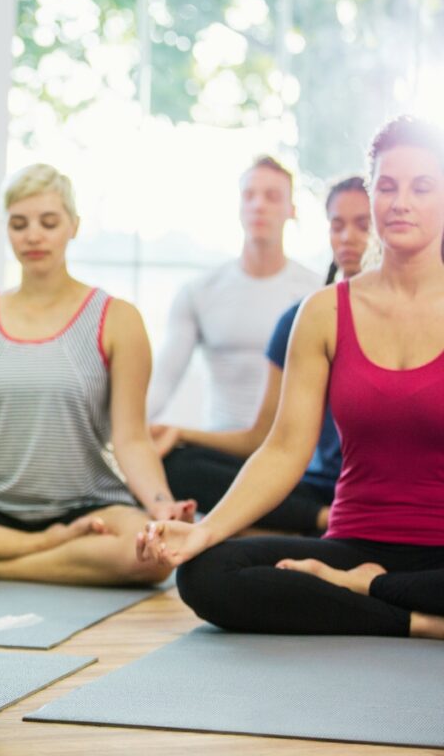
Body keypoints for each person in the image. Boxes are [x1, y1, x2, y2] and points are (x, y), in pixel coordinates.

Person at [137, 116, 444, 641]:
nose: (401, 203)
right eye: (387, 187)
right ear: (371, 194)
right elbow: (282, 449)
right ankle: (411, 617)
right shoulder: (323, 312)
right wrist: (204, 532)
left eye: (422, 187)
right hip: (352, 540)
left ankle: (363, 589)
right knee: (206, 573)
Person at [0, 164, 194, 586]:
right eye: (19, 223)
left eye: (49, 222)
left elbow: (132, 438)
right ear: (5, 228)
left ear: (74, 226)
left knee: (152, 555)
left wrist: (161, 507)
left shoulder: (117, 319)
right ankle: (52, 547)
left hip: (92, 508)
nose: (33, 235)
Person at [152, 177, 371, 533]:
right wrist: (178, 434)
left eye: (363, 225)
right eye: (337, 225)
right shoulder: (303, 316)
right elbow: (266, 439)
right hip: (312, 486)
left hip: (382, 490)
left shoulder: (412, 316)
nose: (347, 237)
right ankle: (323, 519)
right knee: (177, 466)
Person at [148, 156, 322, 431]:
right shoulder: (199, 292)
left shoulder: (317, 293)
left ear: (291, 210)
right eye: (249, 195)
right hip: (218, 450)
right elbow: (161, 383)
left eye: (272, 196)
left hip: (293, 457)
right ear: (239, 206)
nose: (259, 205)